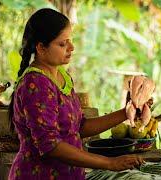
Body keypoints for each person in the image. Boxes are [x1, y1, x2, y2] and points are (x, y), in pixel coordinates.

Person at [8, 8, 145, 180]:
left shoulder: (62, 76)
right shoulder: (35, 83)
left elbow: (79, 127)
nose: (71, 48)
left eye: (70, 41)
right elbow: (50, 145)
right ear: (41, 48)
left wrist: (125, 113)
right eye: (62, 44)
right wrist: (110, 163)